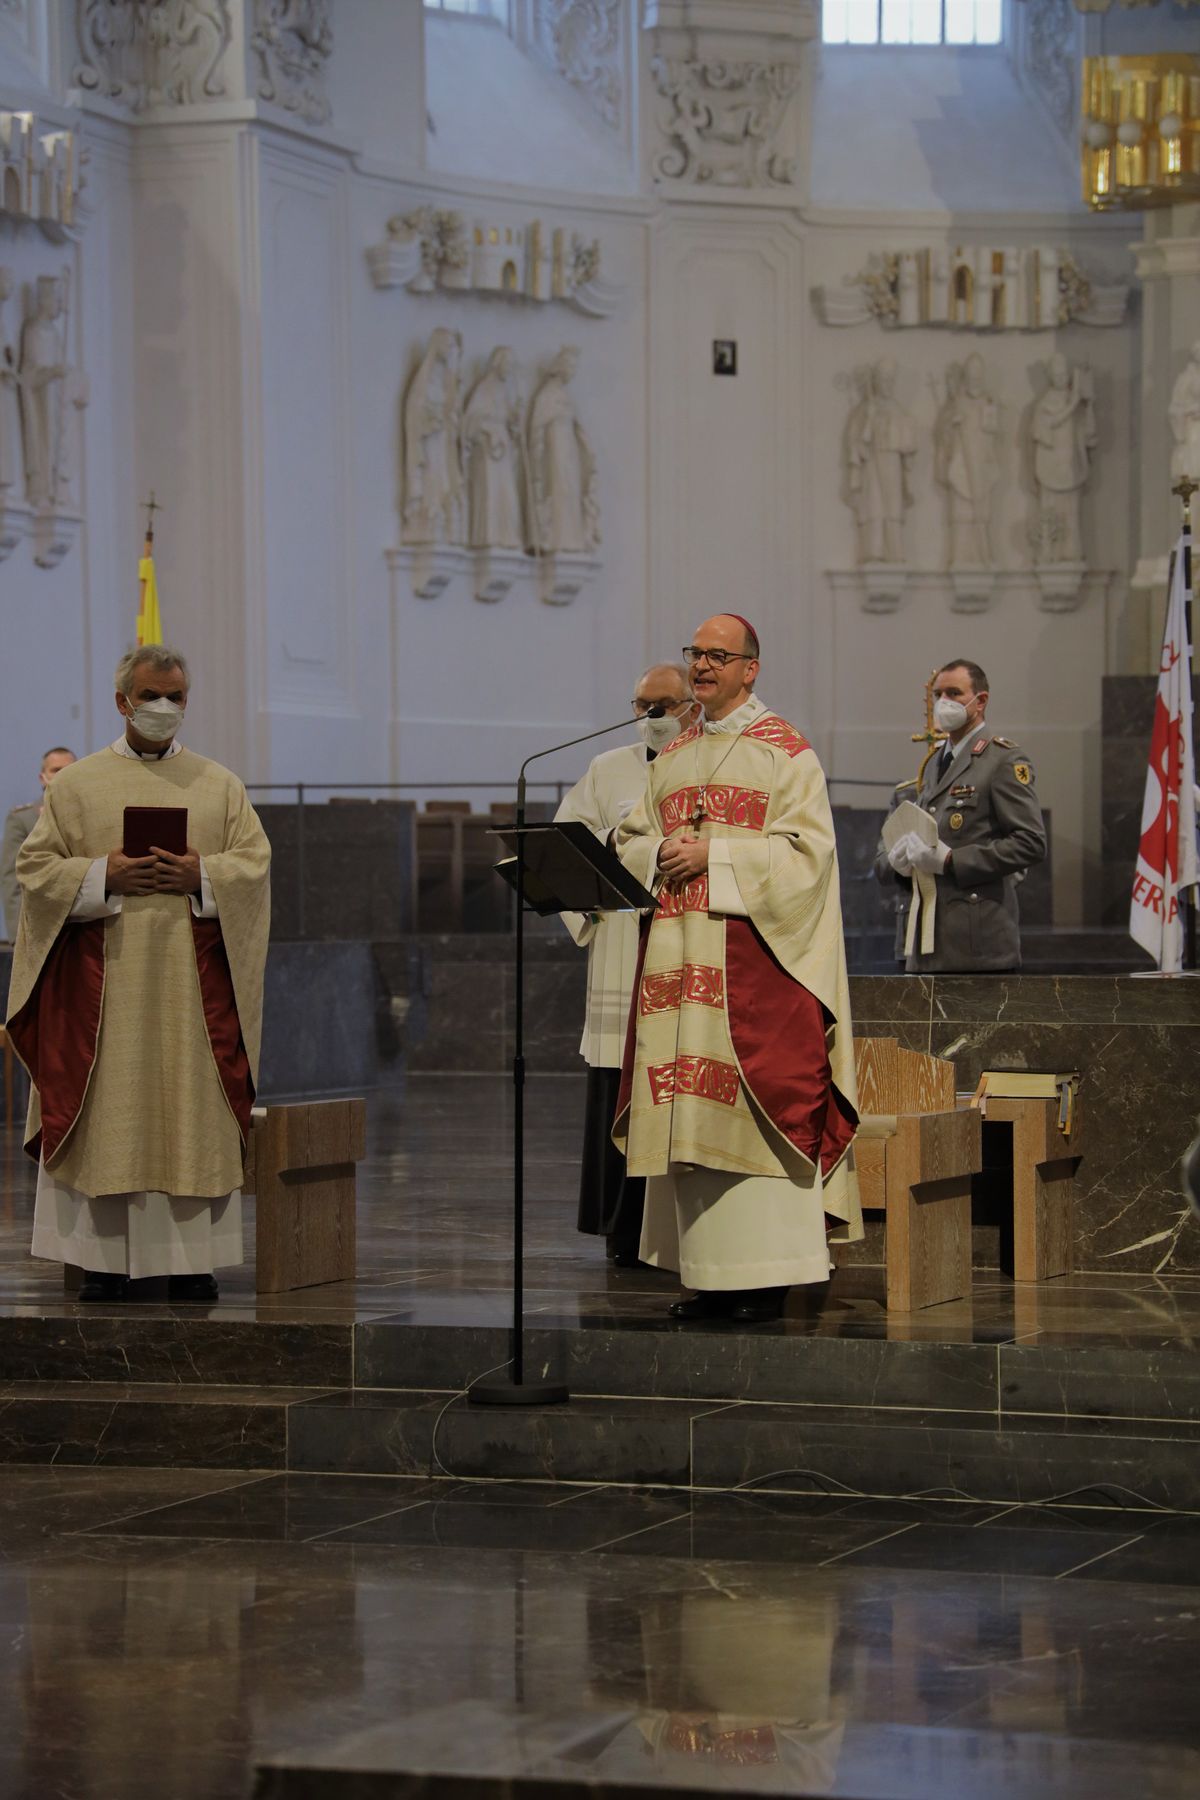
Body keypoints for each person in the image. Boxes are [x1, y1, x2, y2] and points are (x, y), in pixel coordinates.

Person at [612, 615, 861, 1324]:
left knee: (752, 1119)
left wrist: (713, 858)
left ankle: (766, 1282)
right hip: (678, 969)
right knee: (691, 1125)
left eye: (719, 656)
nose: (702, 667)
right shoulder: (675, 752)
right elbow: (633, 838)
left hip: (753, 977)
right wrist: (658, 854)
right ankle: (712, 1279)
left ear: (752, 668)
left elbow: (810, 860)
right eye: (697, 654)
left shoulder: (786, 753)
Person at [5, 646, 271, 1304]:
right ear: (122, 700)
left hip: (192, 993)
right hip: (105, 992)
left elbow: (255, 867)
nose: (164, 709)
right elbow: (34, 872)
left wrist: (200, 875)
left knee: (190, 1116)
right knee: (108, 1116)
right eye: (151, 696)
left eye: (176, 697)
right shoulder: (76, 786)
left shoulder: (219, 785)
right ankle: (101, 1261)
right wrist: (104, 876)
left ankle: (189, 1262)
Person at [556, 663, 700, 1264]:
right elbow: (569, 837)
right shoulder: (607, 768)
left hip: (685, 939)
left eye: (664, 705)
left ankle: (676, 1232)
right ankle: (621, 1228)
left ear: (692, 706)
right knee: (618, 1080)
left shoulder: (709, 765)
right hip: (621, 945)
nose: (651, 718)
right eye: (642, 706)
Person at [874, 660, 1046, 973]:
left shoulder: (1002, 760)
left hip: (977, 943)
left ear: (980, 701)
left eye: (954, 693)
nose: (944, 703)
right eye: (938, 694)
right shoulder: (934, 764)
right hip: (925, 939)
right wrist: (899, 864)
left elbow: (1030, 842)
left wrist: (952, 860)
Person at [1, 746, 75, 940]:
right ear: (43, 777)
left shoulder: (90, 816)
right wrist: (19, 935)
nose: (63, 774)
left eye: (70, 768)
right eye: (56, 770)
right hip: (37, 925)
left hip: (81, 924)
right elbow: (12, 879)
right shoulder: (22, 819)